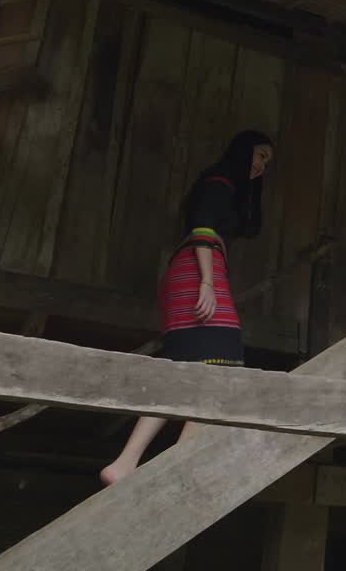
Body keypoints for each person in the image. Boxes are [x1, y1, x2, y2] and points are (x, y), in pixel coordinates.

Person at [100, 130, 274, 486]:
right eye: (260, 155)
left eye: (267, 162)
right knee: (225, 368)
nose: (261, 166)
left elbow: (245, 225)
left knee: (186, 369)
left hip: (187, 272)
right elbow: (203, 228)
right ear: (242, 151)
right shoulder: (219, 181)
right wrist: (207, 282)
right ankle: (179, 462)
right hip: (197, 270)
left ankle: (124, 464)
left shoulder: (226, 185)